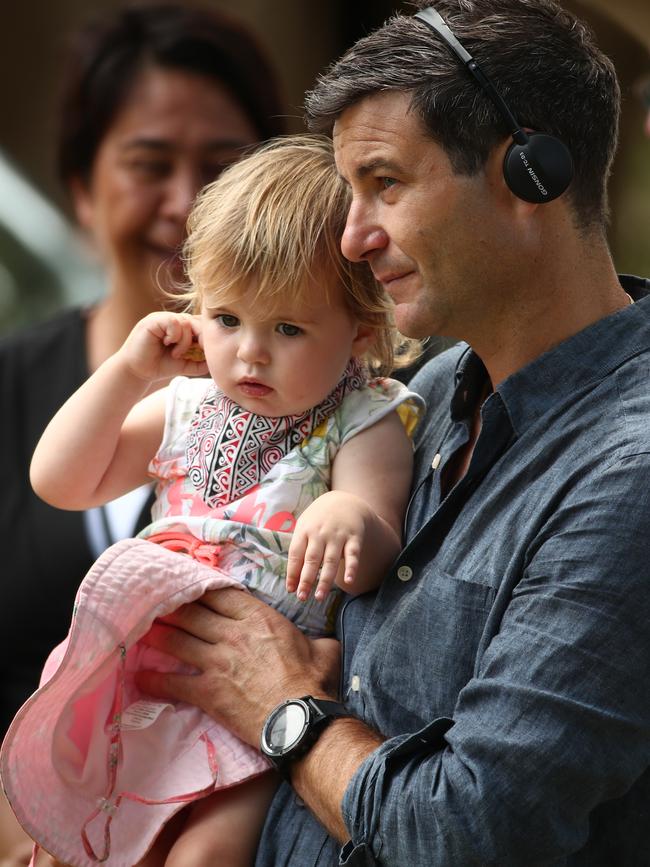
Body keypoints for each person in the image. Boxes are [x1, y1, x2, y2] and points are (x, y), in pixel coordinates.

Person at [109, 1, 650, 865]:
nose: (353, 240)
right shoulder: (422, 394)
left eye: (385, 184)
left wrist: (284, 709)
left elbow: (471, 830)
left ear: (531, 174)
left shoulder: (630, 472)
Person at [1, 135, 422, 867]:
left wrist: (348, 516)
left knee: (206, 853)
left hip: (254, 693)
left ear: (360, 330)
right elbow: (61, 480)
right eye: (227, 319)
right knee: (76, 842)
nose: (251, 352)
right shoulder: (187, 404)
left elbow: (376, 544)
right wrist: (129, 372)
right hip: (140, 670)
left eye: (287, 328)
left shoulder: (363, 417)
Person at [0, 3, 286, 862]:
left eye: (223, 166)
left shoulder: (328, 407)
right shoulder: (11, 391)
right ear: (83, 193)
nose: (187, 202)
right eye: (149, 164)